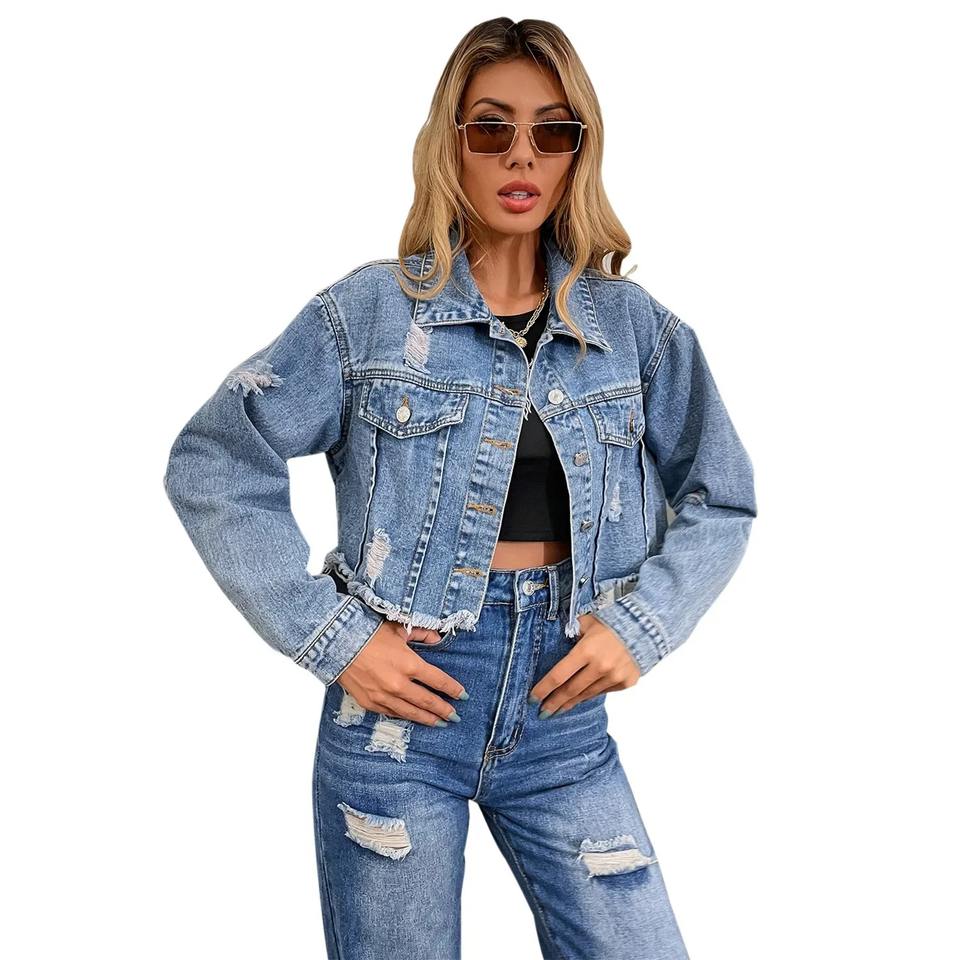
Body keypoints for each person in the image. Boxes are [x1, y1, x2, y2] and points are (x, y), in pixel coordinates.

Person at [163, 17, 756, 960]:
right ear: (452, 144)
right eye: (492, 128)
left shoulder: (633, 329)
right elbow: (215, 461)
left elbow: (722, 494)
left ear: (578, 151)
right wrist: (335, 638)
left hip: (562, 721)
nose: (522, 155)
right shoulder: (367, 313)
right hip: (399, 717)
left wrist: (642, 627)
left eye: (552, 131)